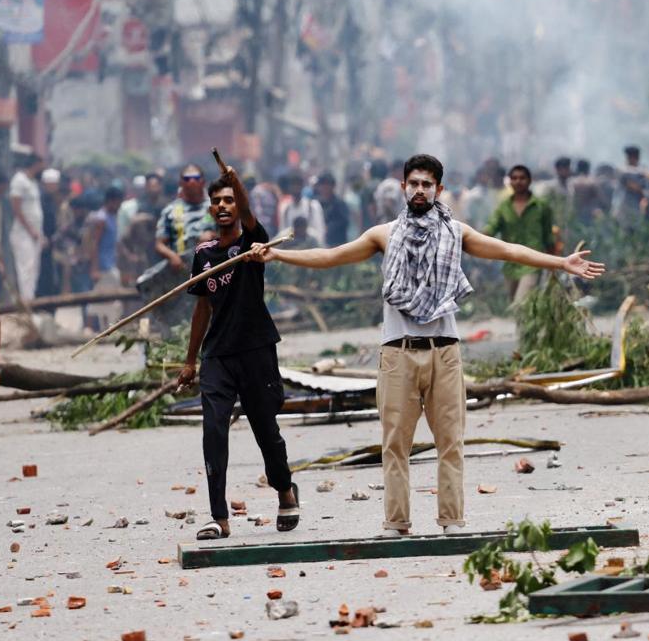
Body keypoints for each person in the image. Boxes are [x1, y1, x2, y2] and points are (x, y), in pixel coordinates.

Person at [251, 154, 604, 535]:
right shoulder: (382, 234)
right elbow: (332, 256)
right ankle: (396, 523)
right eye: (414, 183)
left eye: (427, 184)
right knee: (395, 445)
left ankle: (452, 521)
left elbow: (508, 250)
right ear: (404, 187)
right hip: (397, 352)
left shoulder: (457, 232)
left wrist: (560, 263)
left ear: (439, 190)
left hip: (444, 352)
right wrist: (277, 255)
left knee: (450, 442)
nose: (420, 190)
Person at [175, 167, 299, 541]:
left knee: (266, 430)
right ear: (211, 211)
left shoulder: (253, 246)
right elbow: (201, 309)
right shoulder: (204, 255)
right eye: (217, 202)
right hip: (218, 356)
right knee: (213, 431)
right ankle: (219, 517)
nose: (223, 206)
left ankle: (285, 490)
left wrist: (237, 181)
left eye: (229, 199)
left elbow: (248, 216)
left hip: (256, 351)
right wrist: (190, 359)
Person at [484, 164, 555, 303]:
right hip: (510, 262)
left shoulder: (541, 206)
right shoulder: (503, 207)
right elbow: (492, 227)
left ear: (529, 180)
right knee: (515, 305)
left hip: (533, 261)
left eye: (522, 178)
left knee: (521, 302)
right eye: (514, 178)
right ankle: (528, 325)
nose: (518, 181)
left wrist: (554, 263)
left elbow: (548, 236)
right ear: (509, 181)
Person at [155, 164, 216, 270]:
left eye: (196, 178)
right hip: (183, 268)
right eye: (187, 178)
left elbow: (233, 234)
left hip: (212, 264)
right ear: (181, 183)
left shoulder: (215, 206)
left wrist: (214, 237)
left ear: (203, 182)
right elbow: (160, 244)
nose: (191, 182)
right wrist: (172, 256)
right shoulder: (171, 210)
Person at [8, 153, 46, 301]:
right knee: (26, 268)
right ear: (35, 164)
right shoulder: (19, 180)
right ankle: (26, 301)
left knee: (34, 269)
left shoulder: (33, 183)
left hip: (35, 233)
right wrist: (30, 229)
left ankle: (31, 299)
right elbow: (16, 208)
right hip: (23, 233)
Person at [87, 186, 125, 328]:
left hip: (110, 262)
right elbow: (95, 244)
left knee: (105, 297)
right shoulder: (101, 218)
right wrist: (94, 268)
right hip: (103, 264)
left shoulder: (112, 217)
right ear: (112, 201)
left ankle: (105, 327)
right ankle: (90, 326)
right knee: (100, 296)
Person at [36, 168, 65, 297]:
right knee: (43, 273)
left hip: (49, 242)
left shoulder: (50, 199)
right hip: (43, 241)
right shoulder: (42, 199)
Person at [278, 174, 326, 246]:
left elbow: (320, 232)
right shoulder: (285, 209)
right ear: (289, 187)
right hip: (291, 250)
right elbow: (282, 234)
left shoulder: (313, 206)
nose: (295, 188)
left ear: (302, 186)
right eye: (293, 185)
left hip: (310, 249)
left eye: (298, 185)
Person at [615, 146, 649, 235]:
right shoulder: (623, 170)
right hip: (625, 208)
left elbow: (648, 189)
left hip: (637, 208)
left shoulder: (643, 171)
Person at [314, 173, 351, 246]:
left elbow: (344, 221)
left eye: (327, 185)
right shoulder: (315, 204)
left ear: (333, 186)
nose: (324, 188)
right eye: (322, 185)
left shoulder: (339, 204)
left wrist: (328, 228)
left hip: (337, 244)